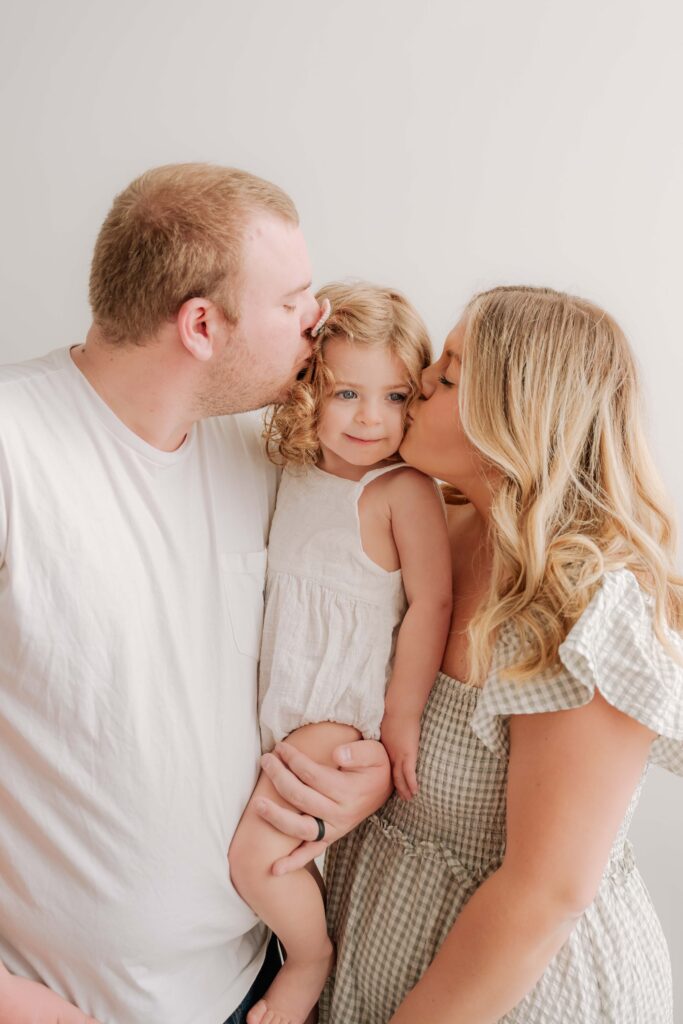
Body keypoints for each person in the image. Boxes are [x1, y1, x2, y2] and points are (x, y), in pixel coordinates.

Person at [0, 163, 392, 1024]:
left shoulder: (268, 450)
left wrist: (359, 778)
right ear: (202, 325)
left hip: (253, 984)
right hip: (68, 1009)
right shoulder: (13, 447)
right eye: (292, 300)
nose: (318, 316)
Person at [319, 285, 683, 1024]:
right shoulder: (429, 530)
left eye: (448, 375)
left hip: (512, 993)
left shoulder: (576, 606)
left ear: (516, 415)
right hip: (376, 947)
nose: (420, 378)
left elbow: (545, 895)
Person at [228, 281, 452, 1024]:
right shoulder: (292, 468)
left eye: (395, 397)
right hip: (284, 692)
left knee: (256, 859)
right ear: (309, 389)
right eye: (347, 393)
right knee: (272, 852)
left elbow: (430, 606)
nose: (369, 418)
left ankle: (308, 959)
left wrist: (400, 721)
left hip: (335, 704)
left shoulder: (401, 491)